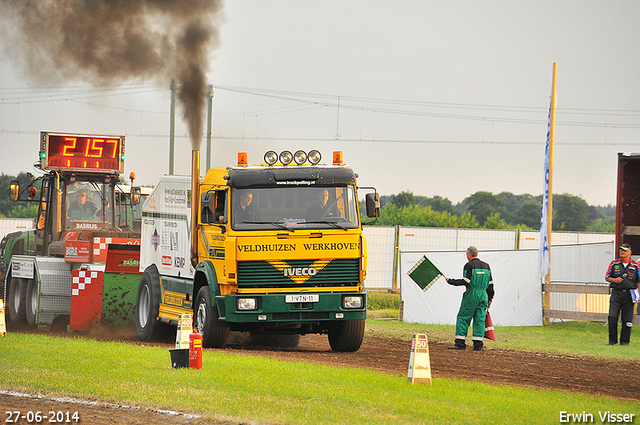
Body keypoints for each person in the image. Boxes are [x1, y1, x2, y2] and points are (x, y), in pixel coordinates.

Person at [445, 246, 495, 351]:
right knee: (480, 319)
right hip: (483, 295)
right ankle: (478, 344)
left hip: (472, 295)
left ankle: (460, 343)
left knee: (463, 317)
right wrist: (490, 298)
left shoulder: (469, 265)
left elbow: (466, 281)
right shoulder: (486, 266)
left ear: (469, 254)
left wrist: (451, 281)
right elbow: (491, 284)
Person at [605, 243, 640, 346]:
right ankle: (612, 340)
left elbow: (638, 281)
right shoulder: (614, 264)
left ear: (630, 252)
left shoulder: (635, 265)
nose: (622, 252)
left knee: (627, 319)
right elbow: (607, 277)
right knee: (612, 316)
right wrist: (615, 280)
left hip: (630, 294)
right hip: (616, 293)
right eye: (621, 250)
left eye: (624, 250)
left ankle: (625, 341)